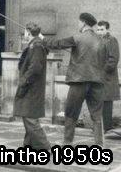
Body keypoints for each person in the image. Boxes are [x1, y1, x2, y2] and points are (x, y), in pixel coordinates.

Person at [43, 12, 105, 146]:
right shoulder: (101, 40)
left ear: (83, 23)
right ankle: (99, 144)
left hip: (78, 81)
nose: (77, 24)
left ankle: (67, 143)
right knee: (97, 115)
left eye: (78, 22)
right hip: (97, 82)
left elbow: (57, 44)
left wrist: (42, 38)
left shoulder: (77, 38)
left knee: (71, 113)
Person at [14, 22, 51, 150]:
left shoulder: (36, 45)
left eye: (25, 31)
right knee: (28, 116)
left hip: (32, 88)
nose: (24, 34)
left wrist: (24, 81)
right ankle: (28, 146)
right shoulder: (35, 44)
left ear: (28, 32)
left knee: (30, 118)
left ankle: (45, 148)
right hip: (32, 87)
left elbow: (35, 68)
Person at [96, 20, 119, 132]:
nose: (99, 32)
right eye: (98, 29)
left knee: (106, 103)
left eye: (102, 29)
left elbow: (113, 60)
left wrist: (102, 72)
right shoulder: (98, 41)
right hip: (98, 77)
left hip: (107, 78)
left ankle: (106, 128)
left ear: (107, 30)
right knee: (99, 102)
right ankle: (100, 128)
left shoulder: (111, 40)